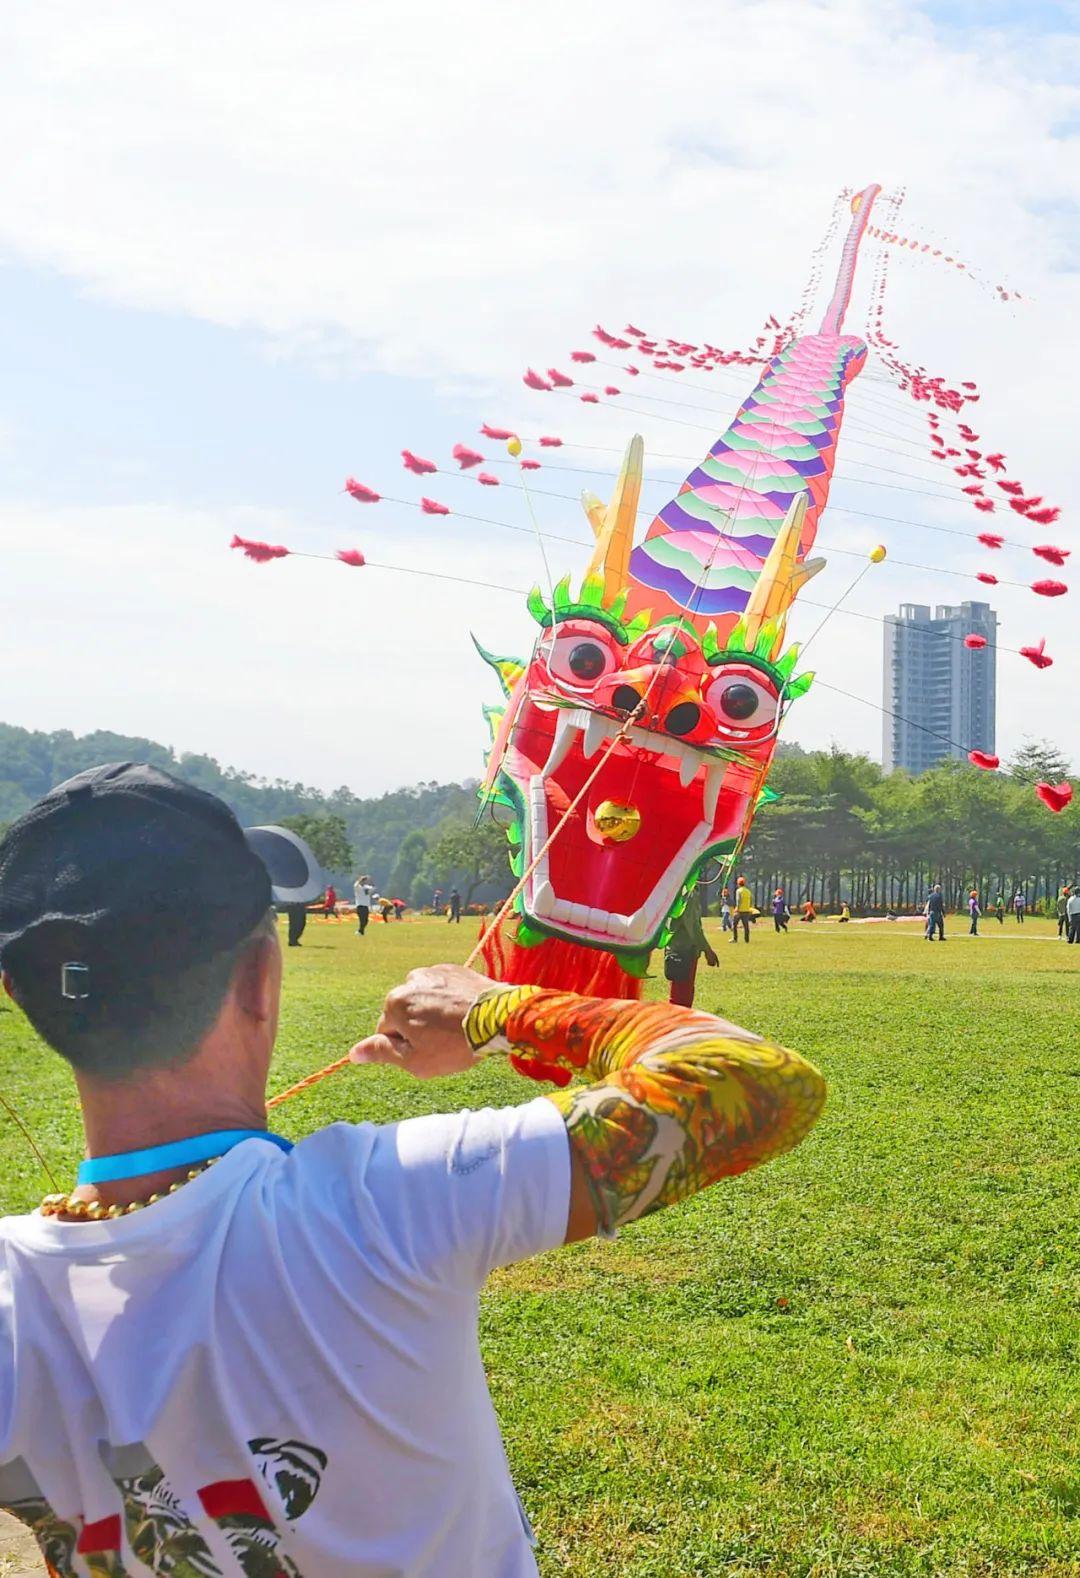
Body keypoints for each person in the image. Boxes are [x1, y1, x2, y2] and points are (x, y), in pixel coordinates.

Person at [0, 763, 826, 1577]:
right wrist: (493, 1009)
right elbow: (759, 1081)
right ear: (260, 980)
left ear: (24, 997)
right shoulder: (379, 1203)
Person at [663, 887, 719, 1007]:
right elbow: (693, 927)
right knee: (681, 998)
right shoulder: (687, 893)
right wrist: (707, 950)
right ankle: (677, 1023)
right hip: (684, 951)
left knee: (680, 994)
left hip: (676, 948)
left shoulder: (675, 890)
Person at [731, 876, 753, 944]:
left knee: (734, 925)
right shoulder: (748, 891)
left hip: (740, 910)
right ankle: (747, 939)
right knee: (746, 926)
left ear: (738, 883)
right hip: (746, 910)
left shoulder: (739, 891)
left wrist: (737, 908)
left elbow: (738, 900)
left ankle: (735, 938)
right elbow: (751, 900)